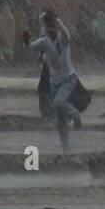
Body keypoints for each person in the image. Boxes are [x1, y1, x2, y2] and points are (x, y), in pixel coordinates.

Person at [22, 9, 83, 150]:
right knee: (60, 118)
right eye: (48, 27)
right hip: (54, 82)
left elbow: (66, 32)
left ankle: (75, 115)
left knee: (58, 102)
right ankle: (65, 147)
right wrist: (25, 41)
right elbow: (29, 47)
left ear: (57, 26)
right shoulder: (44, 41)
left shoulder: (63, 39)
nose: (51, 30)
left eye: (53, 26)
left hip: (68, 78)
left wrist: (57, 19)